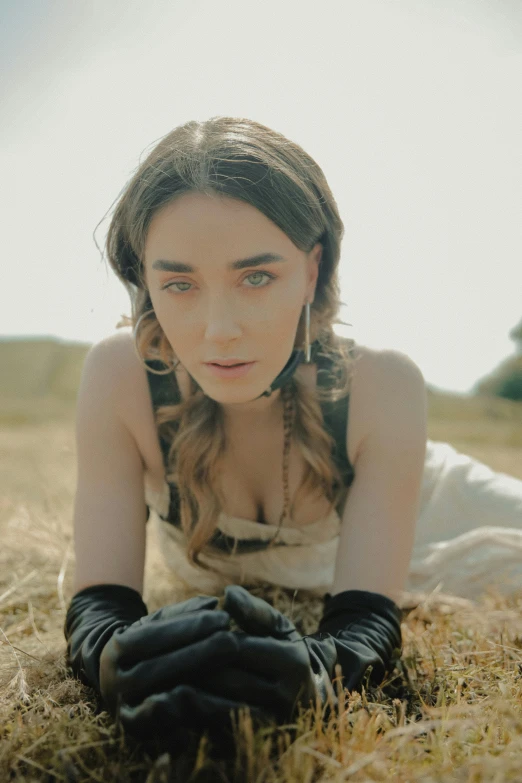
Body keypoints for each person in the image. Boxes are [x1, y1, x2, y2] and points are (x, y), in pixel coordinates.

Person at [64, 116, 522, 755]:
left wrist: (324, 679)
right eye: (179, 284)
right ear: (145, 281)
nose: (220, 330)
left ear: (311, 271)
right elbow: (102, 603)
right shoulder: (122, 377)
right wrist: (112, 661)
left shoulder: (381, 384)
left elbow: (365, 620)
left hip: (429, 512)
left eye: (257, 277)